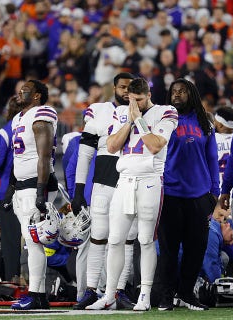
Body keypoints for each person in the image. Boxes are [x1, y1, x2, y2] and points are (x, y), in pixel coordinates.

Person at [87, 78, 178, 311]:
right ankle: (109, 295)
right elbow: (112, 146)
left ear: (148, 95)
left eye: (138, 100)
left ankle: (144, 295)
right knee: (115, 239)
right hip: (124, 181)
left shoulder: (165, 111)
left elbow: (155, 145)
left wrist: (139, 120)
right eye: (131, 100)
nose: (134, 104)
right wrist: (129, 120)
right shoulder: (121, 112)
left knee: (146, 239)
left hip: (149, 181)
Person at [71, 72, 137, 310]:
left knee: (127, 240)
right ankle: (91, 290)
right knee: (98, 237)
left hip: (130, 181)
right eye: (122, 87)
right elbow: (85, 153)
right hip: (103, 181)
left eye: (131, 87)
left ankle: (118, 291)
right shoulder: (98, 110)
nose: (126, 91)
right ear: (114, 88)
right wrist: (79, 189)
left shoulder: (144, 111)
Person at [155, 78, 219, 311]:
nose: (177, 95)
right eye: (174, 91)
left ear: (191, 94)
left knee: (196, 248)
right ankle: (165, 296)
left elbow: (212, 158)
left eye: (182, 91)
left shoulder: (206, 121)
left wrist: (215, 191)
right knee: (169, 250)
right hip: (170, 192)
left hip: (200, 195)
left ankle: (186, 294)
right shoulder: (161, 118)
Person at [9, 80, 59, 310]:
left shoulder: (42, 113)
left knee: (34, 242)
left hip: (35, 186)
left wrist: (40, 191)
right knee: (31, 242)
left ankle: (37, 294)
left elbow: (44, 155)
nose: (21, 92)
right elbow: (18, 157)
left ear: (38, 95)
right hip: (22, 186)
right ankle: (38, 294)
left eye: (26, 89)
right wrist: (12, 187)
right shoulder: (19, 118)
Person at [0, 98, 23, 282]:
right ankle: (30, 279)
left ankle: (12, 279)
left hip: (8, 190)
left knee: (10, 240)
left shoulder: (6, 130)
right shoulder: (33, 127)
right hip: (30, 190)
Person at [214, 107, 233, 186]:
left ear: (220, 125)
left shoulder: (211, 139)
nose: (213, 123)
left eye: (215, 121)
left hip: (216, 187)